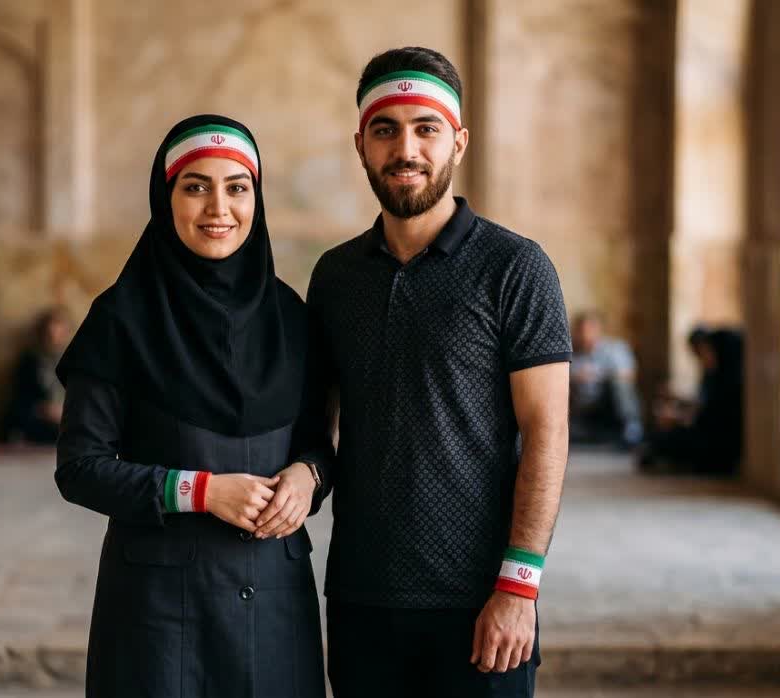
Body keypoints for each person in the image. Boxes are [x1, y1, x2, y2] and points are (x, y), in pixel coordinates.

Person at [308, 47, 570, 697]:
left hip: (480, 600)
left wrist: (519, 586)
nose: (406, 149)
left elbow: (547, 432)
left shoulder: (516, 267)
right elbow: (317, 426)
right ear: (361, 145)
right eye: (385, 129)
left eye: (426, 128)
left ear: (458, 141)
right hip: (361, 598)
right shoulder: (336, 276)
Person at [54, 115, 332, 698]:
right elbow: (80, 467)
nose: (218, 208)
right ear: (166, 197)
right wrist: (199, 491)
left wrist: (308, 477)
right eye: (196, 186)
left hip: (274, 605)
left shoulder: (290, 318)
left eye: (237, 187)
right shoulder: (121, 319)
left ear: (256, 198)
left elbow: (317, 447)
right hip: (158, 615)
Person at [639, 327, 744, 476]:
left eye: (708, 351)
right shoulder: (715, 376)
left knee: (662, 442)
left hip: (719, 445)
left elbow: (714, 422)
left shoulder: (732, 382)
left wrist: (678, 418)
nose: (705, 356)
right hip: (706, 434)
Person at [569, 310, 644, 447]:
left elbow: (628, 375)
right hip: (582, 405)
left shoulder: (615, 349)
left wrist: (598, 376)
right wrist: (575, 377)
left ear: (599, 330)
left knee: (620, 384)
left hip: (608, 401)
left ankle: (631, 429)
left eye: (590, 330)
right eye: (581, 331)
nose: (585, 335)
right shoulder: (569, 353)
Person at [5, 307, 72, 445]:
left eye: (59, 335)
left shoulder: (74, 360)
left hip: (68, 415)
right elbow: (21, 398)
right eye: (50, 335)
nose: (54, 340)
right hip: (41, 417)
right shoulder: (30, 361)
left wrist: (65, 411)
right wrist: (45, 409)